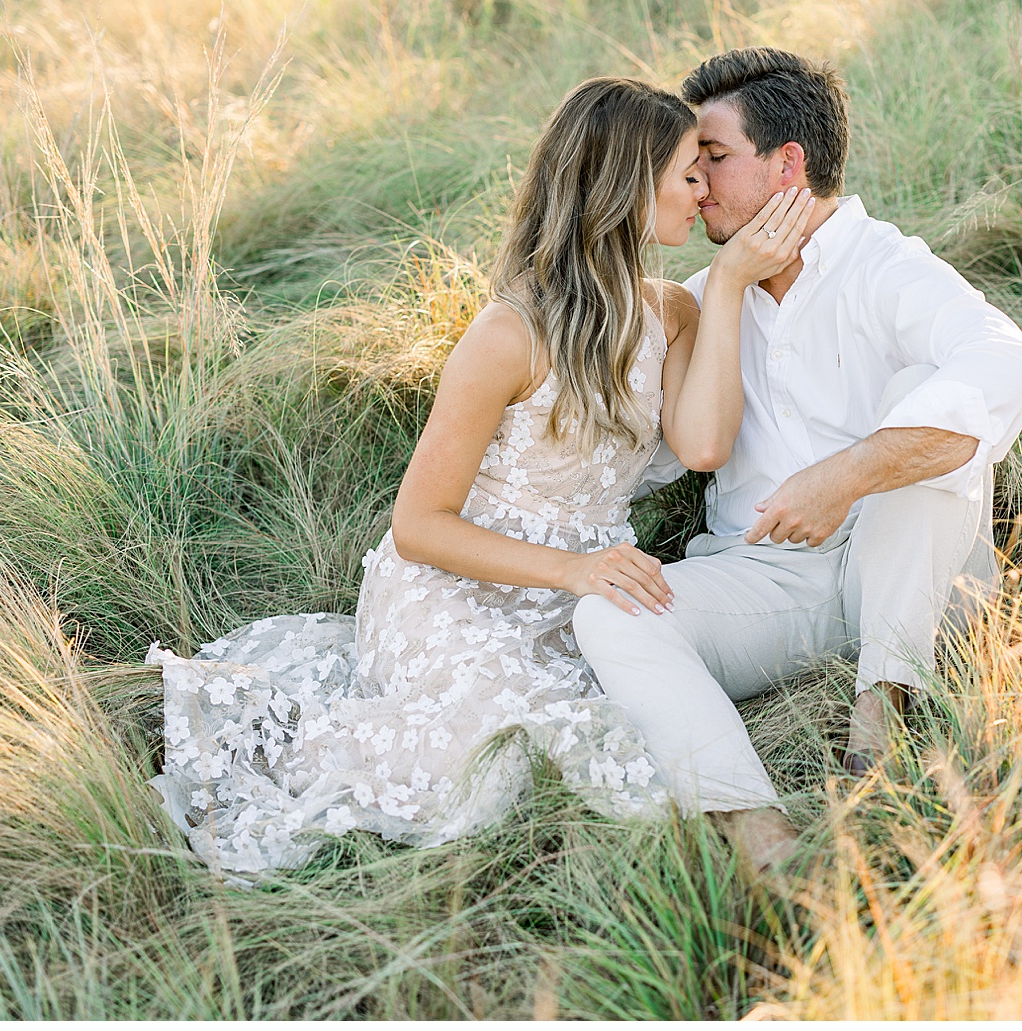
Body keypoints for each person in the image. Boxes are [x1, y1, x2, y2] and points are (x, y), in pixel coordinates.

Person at [147, 76, 818, 875]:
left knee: (630, 724)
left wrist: (734, 283)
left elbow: (704, 445)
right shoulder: (509, 333)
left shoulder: (672, 311)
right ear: (626, 188)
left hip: (588, 591)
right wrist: (573, 566)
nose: (702, 186)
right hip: (457, 582)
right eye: (685, 172)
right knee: (500, 747)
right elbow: (419, 523)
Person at [570, 48, 1022, 871]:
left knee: (925, 402)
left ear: (788, 164)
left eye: (713, 158)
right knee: (606, 614)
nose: (696, 183)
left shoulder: (888, 267)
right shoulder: (707, 291)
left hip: (902, 570)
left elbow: (1005, 364)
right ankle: (768, 845)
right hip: (766, 579)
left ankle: (880, 717)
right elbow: (665, 447)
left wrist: (849, 473)